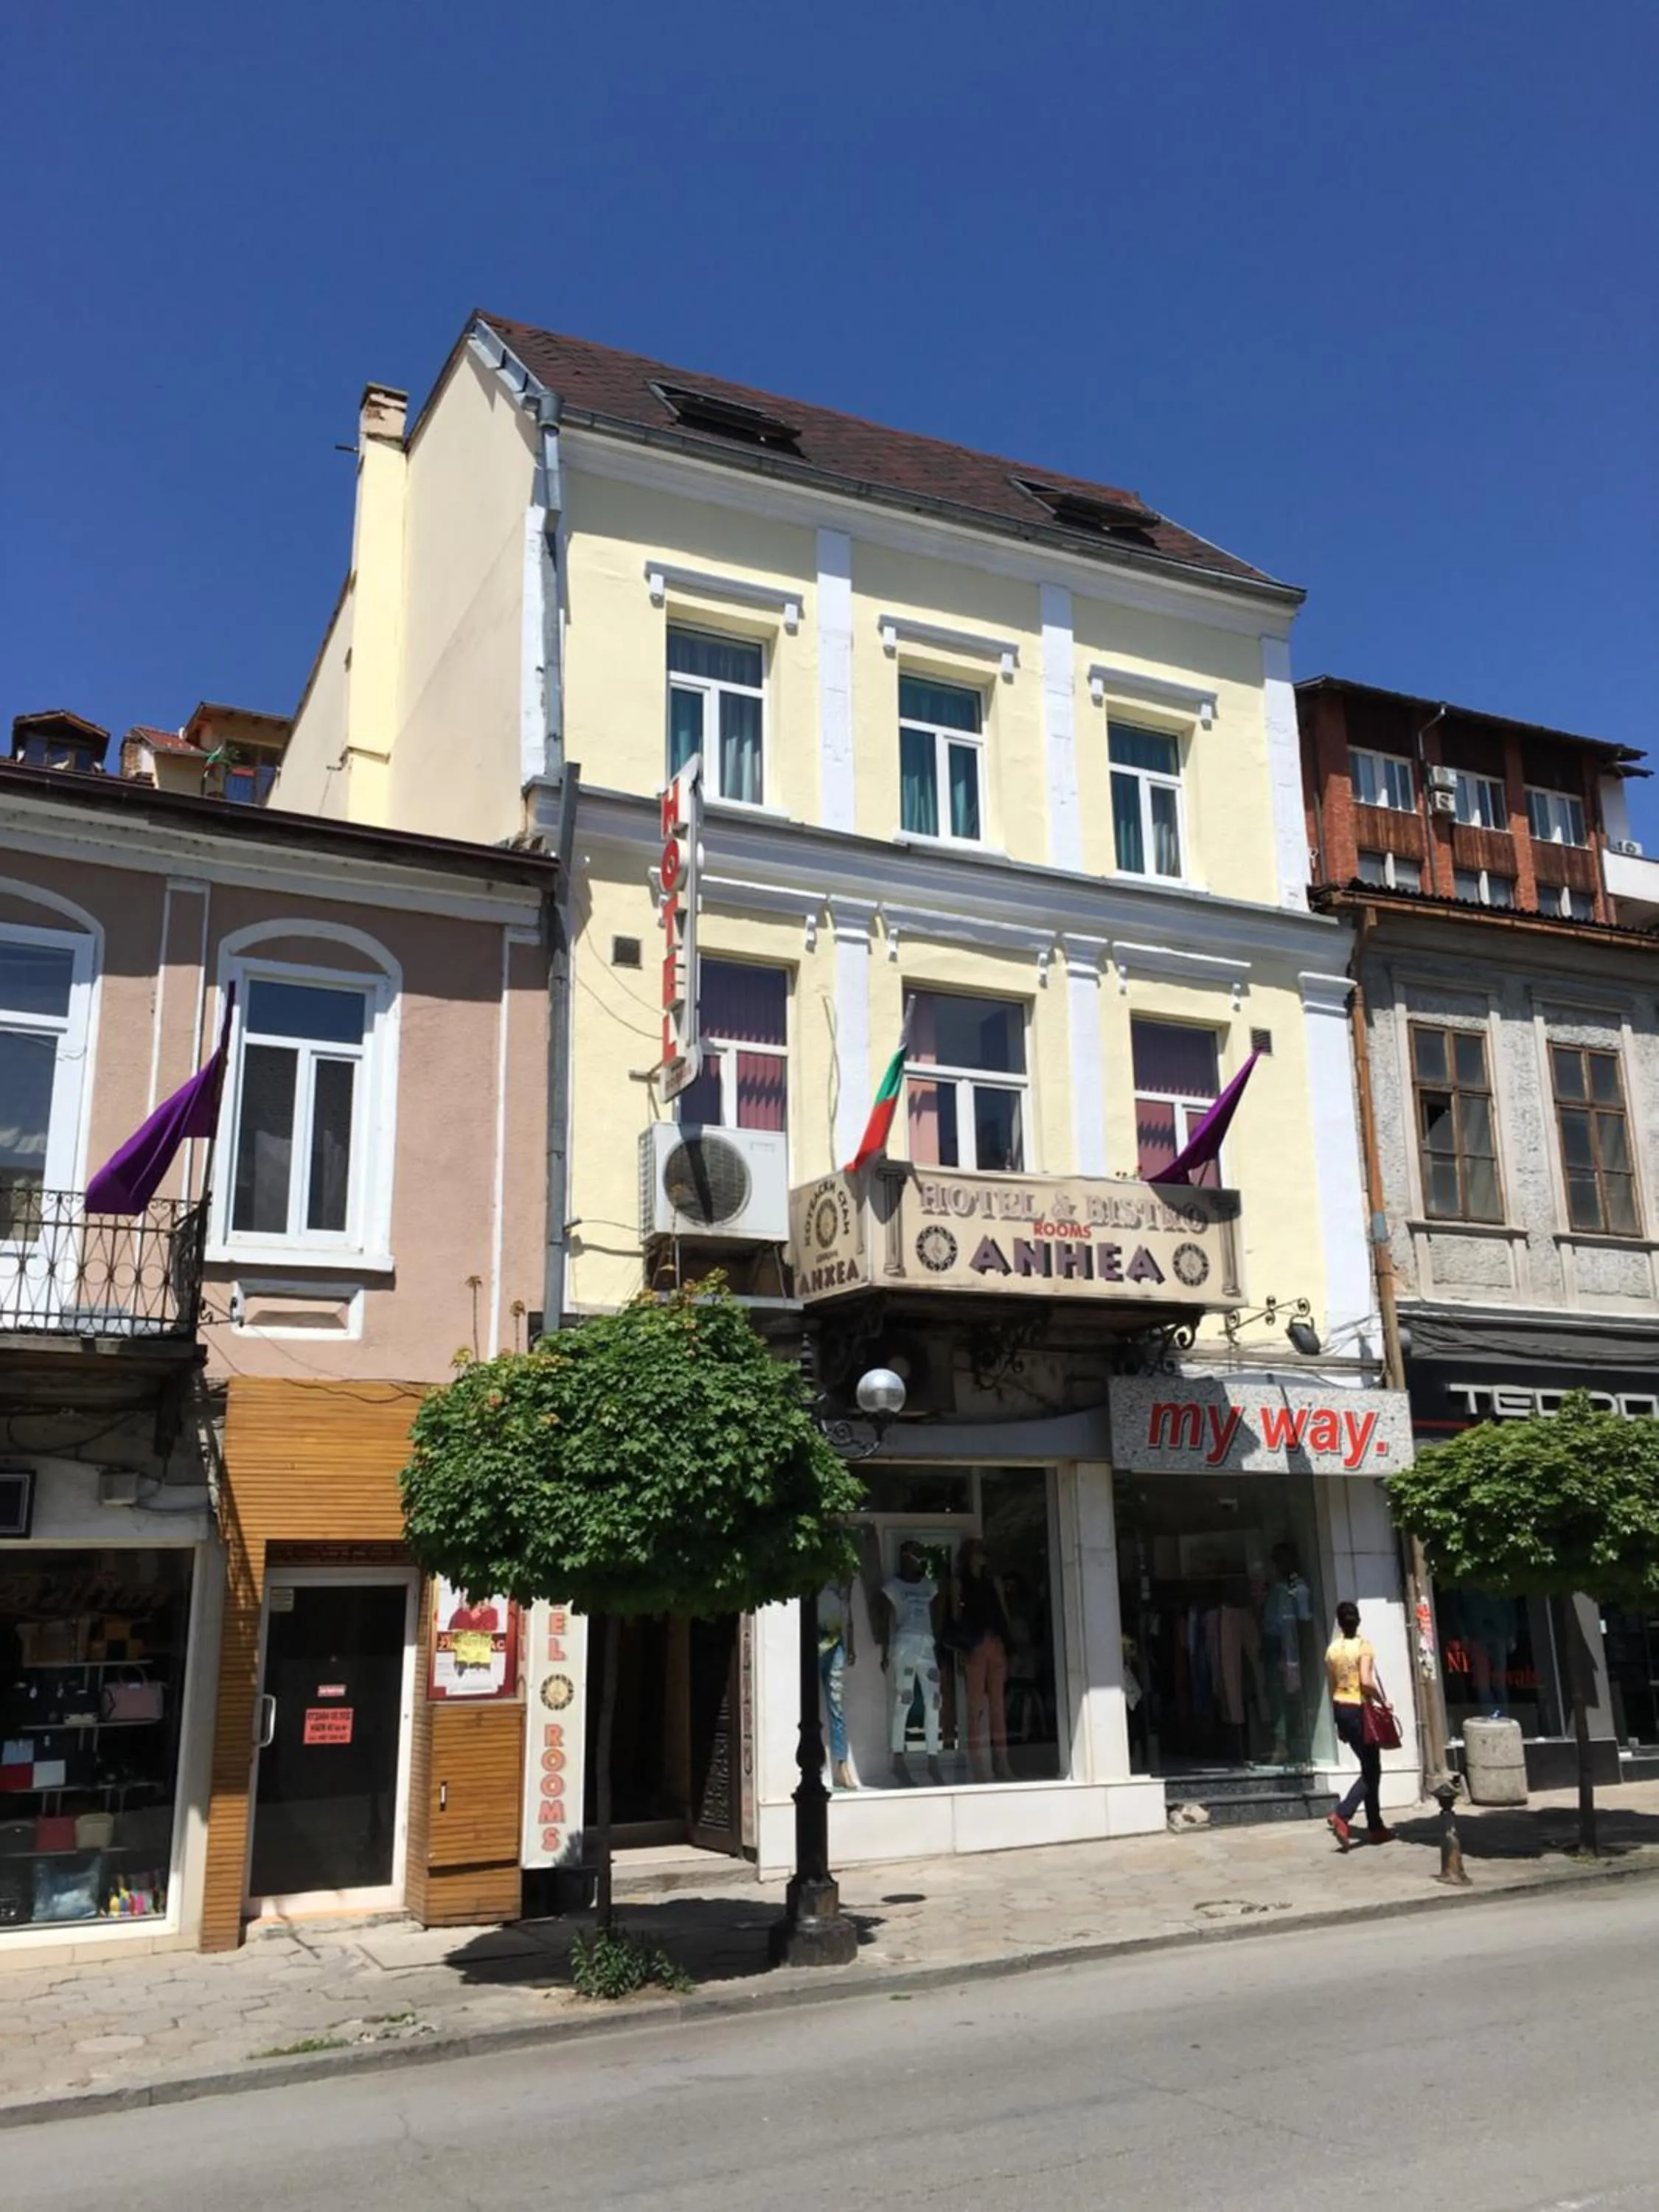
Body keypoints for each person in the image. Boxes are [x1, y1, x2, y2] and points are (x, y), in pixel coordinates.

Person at [1325, 1600, 1394, 1848]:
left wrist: (1338, 1723)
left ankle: (1376, 1826)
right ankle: (1343, 1814)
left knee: (1369, 1765)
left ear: (1340, 1623)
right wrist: (1383, 1701)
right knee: (1372, 1769)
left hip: (1340, 1709)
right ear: (1359, 1620)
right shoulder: (1364, 1647)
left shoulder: (1332, 1650)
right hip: (1359, 1709)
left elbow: (1332, 1687)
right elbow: (1366, 1681)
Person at [948, 1539, 1014, 1782]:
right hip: (975, 1645)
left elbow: (1004, 1614)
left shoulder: (992, 1582)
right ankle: (979, 1767)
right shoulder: (959, 1583)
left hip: (994, 1643)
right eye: (979, 1552)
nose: (983, 1557)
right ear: (969, 1556)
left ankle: (1003, 1762)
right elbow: (956, 1616)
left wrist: (1007, 1642)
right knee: (975, 1708)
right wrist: (962, 1646)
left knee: (997, 1706)